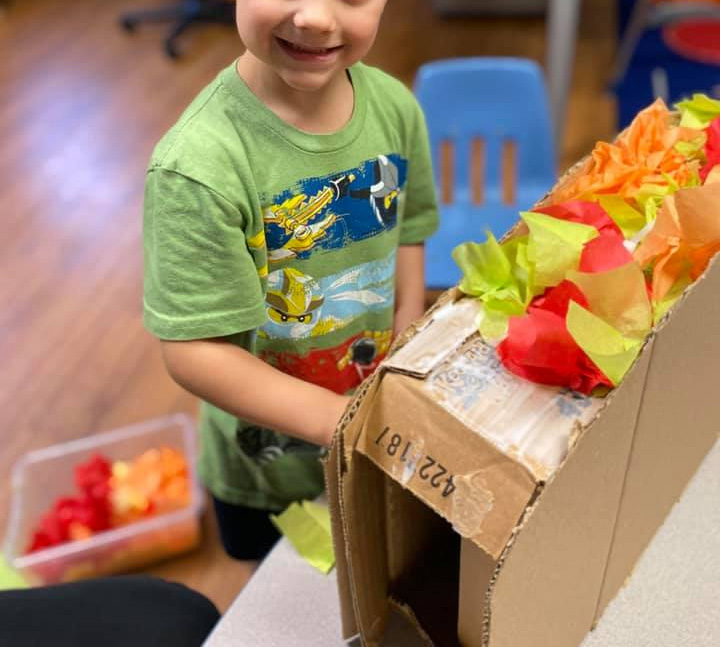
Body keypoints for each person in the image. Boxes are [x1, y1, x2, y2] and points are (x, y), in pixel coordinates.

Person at [142, 0, 439, 561]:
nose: (316, 19)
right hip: (264, 473)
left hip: (372, 429)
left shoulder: (396, 107)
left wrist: (407, 329)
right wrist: (345, 423)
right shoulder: (197, 167)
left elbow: (410, 228)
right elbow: (193, 350)